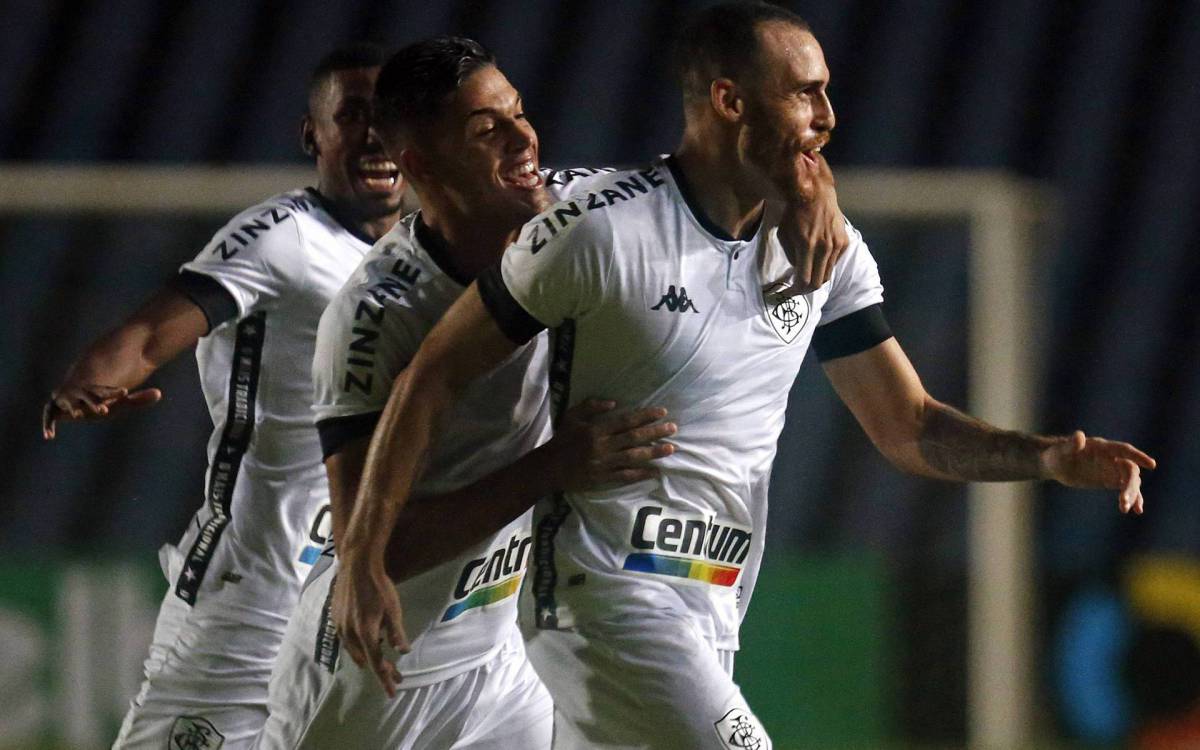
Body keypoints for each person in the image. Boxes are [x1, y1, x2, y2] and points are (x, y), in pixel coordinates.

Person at [336, 4, 1158, 750]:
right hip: (599, 601)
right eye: (805, 94)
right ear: (729, 101)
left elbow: (909, 427)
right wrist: (365, 558)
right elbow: (431, 377)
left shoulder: (827, 251)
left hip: (715, 607)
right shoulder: (596, 232)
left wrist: (1044, 457)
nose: (828, 118)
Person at [253, 38, 687, 749]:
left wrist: (810, 191)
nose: (524, 140)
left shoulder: (573, 210)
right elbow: (377, 546)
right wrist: (555, 466)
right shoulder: (373, 317)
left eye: (519, 114)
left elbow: (707, 182)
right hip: (379, 666)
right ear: (420, 165)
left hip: (497, 659)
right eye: (487, 130)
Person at [42, 43, 406, 749]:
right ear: (314, 134)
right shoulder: (282, 237)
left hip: (353, 592)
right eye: (352, 115)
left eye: (389, 117)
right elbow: (148, 335)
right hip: (254, 595)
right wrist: (94, 379)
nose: (374, 134)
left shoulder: (424, 251)